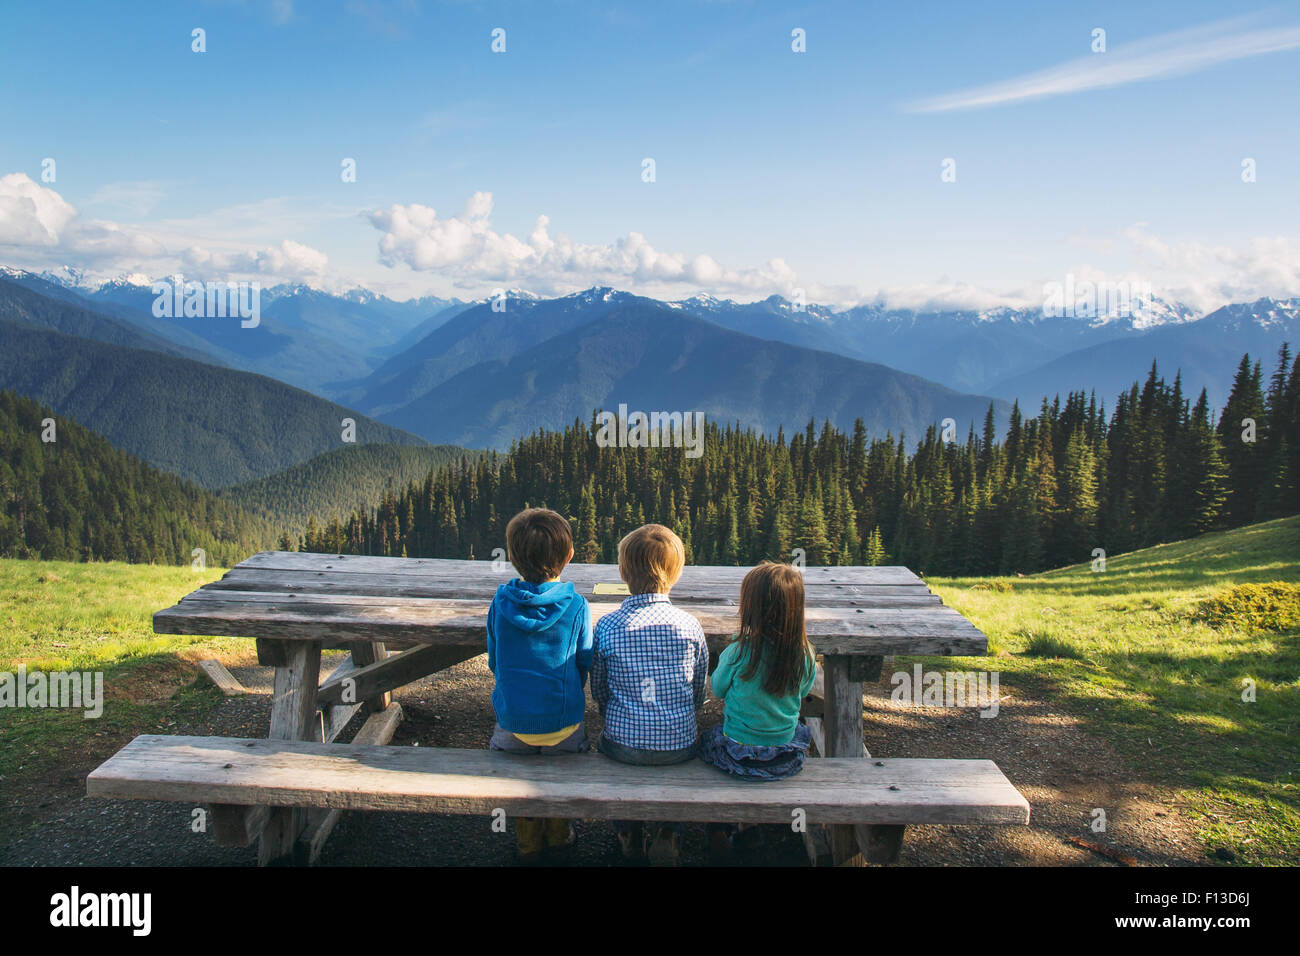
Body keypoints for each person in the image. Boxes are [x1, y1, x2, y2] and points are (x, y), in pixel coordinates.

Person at [591, 523, 709, 866]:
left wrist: (617, 714)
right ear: (676, 573)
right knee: (692, 751)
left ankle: (628, 831)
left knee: (605, 746)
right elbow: (698, 690)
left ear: (623, 572)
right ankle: (670, 832)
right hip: (679, 747)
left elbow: (600, 690)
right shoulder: (689, 626)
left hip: (621, 746)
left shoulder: (608, 626)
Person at [486, 507, 593, 864]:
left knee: (512, 749)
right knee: (566, 753)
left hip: (512, 727)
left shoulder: (500, 604)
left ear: (512, 557)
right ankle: (560, 832)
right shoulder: (577, 606)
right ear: (569, 556)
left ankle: (528, 839)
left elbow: (494, 662)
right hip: (563, 726)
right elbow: (583, 663)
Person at [699, 561, 816, 863]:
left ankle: (723, 825)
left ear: (750, 608)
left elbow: (717, 690)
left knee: (707, 738)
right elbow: (803, 694)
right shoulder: (804, 654)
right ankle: (749, 830)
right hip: (785, 757)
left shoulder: (739, 652)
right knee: (801, 730)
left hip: (738, 755)